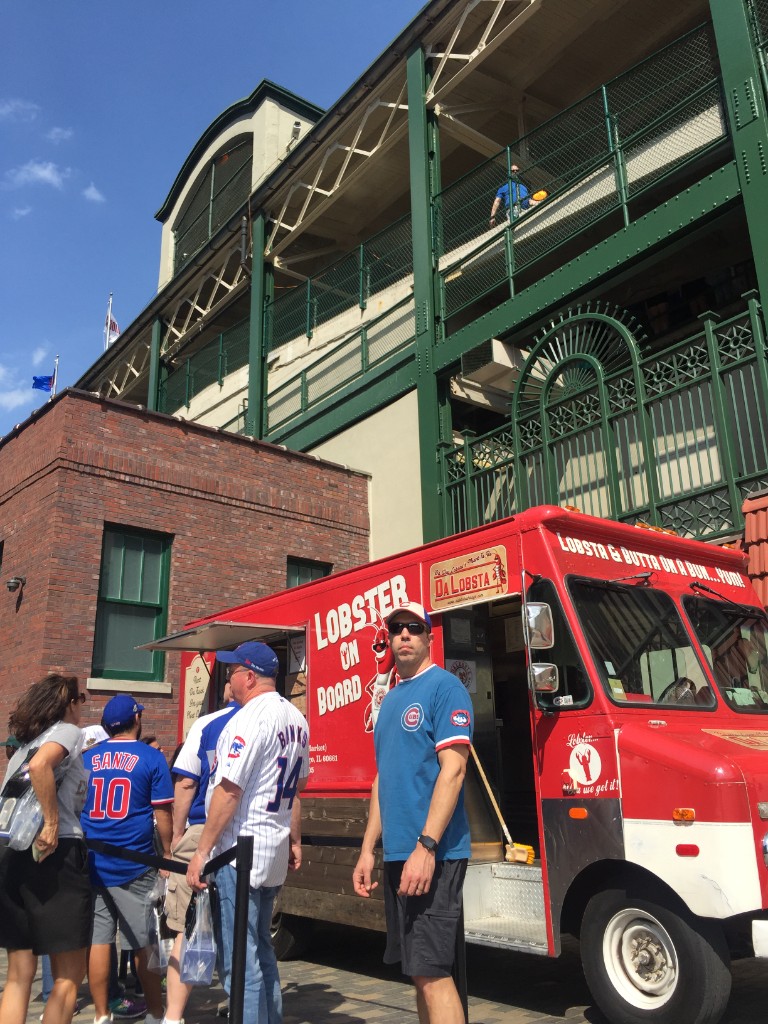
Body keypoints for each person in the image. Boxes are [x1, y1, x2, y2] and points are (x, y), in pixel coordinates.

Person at [352, 602, 473, 1024]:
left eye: (414, 628)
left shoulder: (445, 688)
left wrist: (427, 846)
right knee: (419, 973)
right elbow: (382, 781)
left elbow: (454, 770)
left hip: (433, 854)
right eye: (397, 629)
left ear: (429, 637)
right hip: (399, 853)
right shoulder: (389, 698)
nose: (404, 635)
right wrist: (369, 849)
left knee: (433, 973)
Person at [186, 641, 309, 1024]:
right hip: (270, 845)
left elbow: (228, 791)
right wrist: (294, 837)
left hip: (239, 851)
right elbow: (299, 786)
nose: (229, 678)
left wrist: (201, 851)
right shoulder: (296, 718)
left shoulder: (247, 718)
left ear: (250, 676)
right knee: (263, 951)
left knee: (241, 959)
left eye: (233, 670)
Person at [0, 674, 92, 1024]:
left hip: (11, 851)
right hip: (55, 855)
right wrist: (52, 824)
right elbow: (42, 766)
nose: (81, 706)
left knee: (18, 974)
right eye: (79, 698)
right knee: (69, 976)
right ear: (68, 704)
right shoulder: (67, 731)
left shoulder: (21, 748)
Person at [81, 695, 174, 1024]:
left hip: (94, 859)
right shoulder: (151, 757)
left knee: (99, 941)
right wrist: (167, 852)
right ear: (136, 720)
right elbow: (162, 811)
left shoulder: (88, 757)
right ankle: (156, 1012)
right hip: (134, 861)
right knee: (143, 942)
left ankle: (101, 1013)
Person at [163, 680, 240, 1024]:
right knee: (243, 929)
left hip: (201, 830)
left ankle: (173, 1016)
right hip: (248, 835)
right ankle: (239, 1004)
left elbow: (186, 781)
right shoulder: (279, 719)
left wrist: (177, 835)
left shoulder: (208, 724)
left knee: (187, 926)